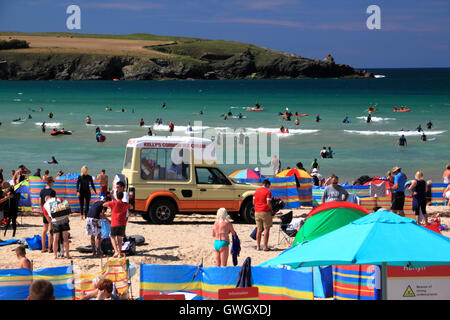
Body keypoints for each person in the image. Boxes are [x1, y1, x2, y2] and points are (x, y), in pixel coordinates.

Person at [102, 191, 132, 258]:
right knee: (120, 238)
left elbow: (104, 204)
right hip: (122, 223)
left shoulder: (113, 203)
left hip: (115, 223)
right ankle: (119, 253)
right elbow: (131, 207)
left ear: (116, 196)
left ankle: (116, 251)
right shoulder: (125, 204)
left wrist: (106, 200)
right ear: (122, 197)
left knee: (112, 237)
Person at [43, 195, 71, 259]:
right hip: (64, 218)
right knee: (65, 237)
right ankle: (67, 254)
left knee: (55, 238)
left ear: (46, 200)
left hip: (55, 220)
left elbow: (48, 218)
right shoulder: (58, 198)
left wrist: (51, 222)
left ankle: (55, 255)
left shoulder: (45, 205)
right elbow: (65, 206)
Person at [253, 179, 273, 251]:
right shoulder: (268, 191)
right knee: (266, 229)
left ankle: (258, 246)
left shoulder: (257, 191)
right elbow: (268, 203)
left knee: (259, 229)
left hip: (257, 211)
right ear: (267, 184)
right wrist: (271, 210)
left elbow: (253, 202)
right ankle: (265, 246)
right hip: (265, 212)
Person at [39, 176, 56, 253]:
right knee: (50, 230)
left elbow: (40, 202)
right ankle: (49, 248)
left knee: (44, 230)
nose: (54, 183)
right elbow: (53, 202)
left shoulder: (42, 191)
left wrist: (42, 210)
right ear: (51, 182)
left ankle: (43, 248)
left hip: (44, 211)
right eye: (53, 181)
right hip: (50, 212)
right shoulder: (52, 191)